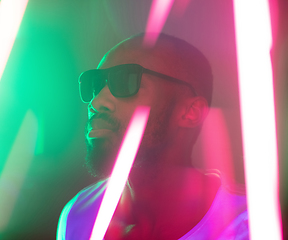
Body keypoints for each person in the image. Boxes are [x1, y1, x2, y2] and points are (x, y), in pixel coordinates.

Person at [57, 33, 249, 240]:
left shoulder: (248, 226)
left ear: (190, 111)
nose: (96, 103)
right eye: (95, 85)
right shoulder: (79, 214)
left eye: (126, 81)